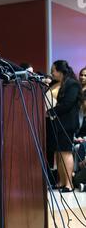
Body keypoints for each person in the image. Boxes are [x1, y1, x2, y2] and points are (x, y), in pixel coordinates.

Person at [47, 60, 81, 192]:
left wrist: (50, 112)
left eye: (53, 70)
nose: (52, 73)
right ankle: (61, 181)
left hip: (67, 124)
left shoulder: (72, 84)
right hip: (57, 123)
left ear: (61, 71)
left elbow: (67, 103)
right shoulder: (57, 84)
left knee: (66, 153)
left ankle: (69, 184)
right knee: (59, 153)